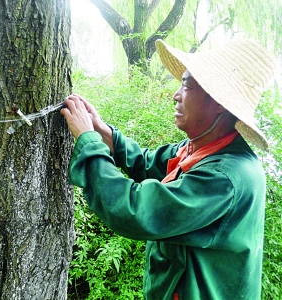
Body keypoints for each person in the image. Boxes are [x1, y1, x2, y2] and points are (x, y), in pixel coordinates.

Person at [60, 39, 276, 300]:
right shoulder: (202, 149)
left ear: (219, 102)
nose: (176, 95)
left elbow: (135, 211)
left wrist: (89, 142)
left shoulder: (225, 177)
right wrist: (104, 133)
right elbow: (148, 163)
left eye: (186, 84)